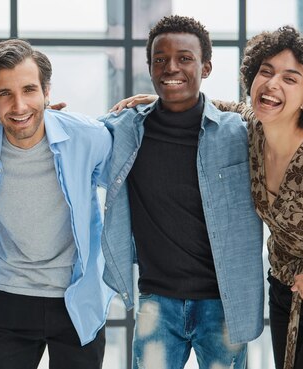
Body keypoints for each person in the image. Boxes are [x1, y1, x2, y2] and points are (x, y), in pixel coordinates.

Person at [0, 39, 114, 369]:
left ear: (46, 91)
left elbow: (125, 181)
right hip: (10, 297)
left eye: (29, 90)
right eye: (5, 94)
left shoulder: (89, 137)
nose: (19, 106)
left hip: (76, 299)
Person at [99, 16, 265, 369]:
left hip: (223, 304)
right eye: (160, 59)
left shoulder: (239, 133)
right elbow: (61, 134)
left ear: (205, 66)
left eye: (184, 58)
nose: (171, 67)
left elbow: (288, 134)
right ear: (149, 66)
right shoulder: (127, 130)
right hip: (157, 303)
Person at [229, 26, 303, 369]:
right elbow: (223, 108)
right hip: (282, 293)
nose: (272, 83)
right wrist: (159, 101)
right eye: (266, 71)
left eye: (290, 78)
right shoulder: (252, 133)